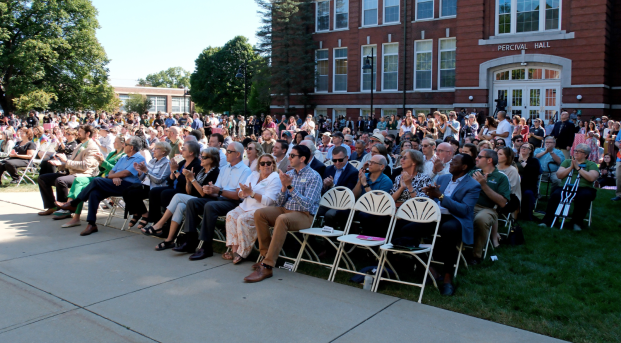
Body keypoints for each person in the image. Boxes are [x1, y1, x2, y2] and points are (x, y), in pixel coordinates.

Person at [390, 154, 481, 296]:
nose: (449, 164)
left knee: (448, 229)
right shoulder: (443, 178)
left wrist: (440, 196)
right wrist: (430, 194)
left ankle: (448, 278)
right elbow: (433, 199)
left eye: (454, 162)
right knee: (407, 228)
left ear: (464, 167)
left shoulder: (473, 185)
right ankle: (428, 267)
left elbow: (465, 210)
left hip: (456, 219)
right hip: (434, 216)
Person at [244, 145, 322, 283]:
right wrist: (284, 187)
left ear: (302, 158)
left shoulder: (314, 177)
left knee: (282, 219)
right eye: (290, 155)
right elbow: (280, 202)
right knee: (260, 214)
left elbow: (308, 204)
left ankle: (268, 265)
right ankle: (265, 256)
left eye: (292, 155)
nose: (289, 158)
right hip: (286, 210)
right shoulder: (289, 174)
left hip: (304, 215)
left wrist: (290, 187)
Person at [58, 137, 146, 236]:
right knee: (94, 193)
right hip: (115, 183)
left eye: (126, 144)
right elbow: (113, 170)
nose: (124, 146)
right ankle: (91, 224)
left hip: (128, 187)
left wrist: (109, 176)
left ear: (131, 147)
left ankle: (74, 203)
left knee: (96, 180)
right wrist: (113, 177)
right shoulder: (123, 157)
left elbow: (125, 173)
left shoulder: (139, 158)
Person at [177, 142, 252, 260]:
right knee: (193, 202)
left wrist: (219, 191)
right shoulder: (224, 169)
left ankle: (206, 247)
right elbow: (216, 190)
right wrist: (209, 189)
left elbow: (238, 195)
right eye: (226, 151)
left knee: (210, 206)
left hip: (233, 202)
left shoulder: (245, 171)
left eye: (229, 151)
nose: (225, 153)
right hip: (219, 198)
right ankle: (190, 241)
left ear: (237, 154)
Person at [143, 147, 220, 250]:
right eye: (201, 156)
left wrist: (192, 179)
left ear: (212, 159)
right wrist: (189, 181)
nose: (201, 158)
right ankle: (169, 240)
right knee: (179, 205)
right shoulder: (201, 171)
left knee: (176, 196)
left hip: (205, 201)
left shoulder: (215, 173)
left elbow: (203, 194)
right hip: (194, 199)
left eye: (204, 157)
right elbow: (189, 191)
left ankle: (159, 224)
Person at [55, 136, 127, 227]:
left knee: (83, 189)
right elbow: (102, 168)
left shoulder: (123, 156)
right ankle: (71, 205)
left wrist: (103, 161)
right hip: (101, 176)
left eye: (116, 142)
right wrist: (99, 162)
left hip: (109, 179)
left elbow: (117, 171)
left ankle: (73, 212)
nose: (113, 143)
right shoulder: (112, 153)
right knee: (78, 179)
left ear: (123, 144)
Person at [223, 154, 282, 263]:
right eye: (262, 163)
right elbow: (241, 192)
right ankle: (234, 250)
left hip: (262, 209)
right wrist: (244, 193)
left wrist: (252, 193)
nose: (265, 165)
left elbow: (269, 201)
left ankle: (242, 253)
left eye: (268, 163)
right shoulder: (254, 175)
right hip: (246, 205)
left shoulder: (275, 178)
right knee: (231, 215)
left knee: (242, 219)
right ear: (259, 165)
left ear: (273, 165)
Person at [37, 126, 99, 216]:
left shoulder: (92, 147)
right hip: (73, 172)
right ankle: (52, 206)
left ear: (88, 133)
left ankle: (65, 209)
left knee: (61, 180)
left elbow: (85, 166)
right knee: (42, 178)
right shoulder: (80, 145)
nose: (78, 133)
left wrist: (66, 161)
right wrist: (60, 164)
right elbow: (71, 163)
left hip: (84, 175)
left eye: (80, 131)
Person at [140, 141, 202, 231]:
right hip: (175, 187)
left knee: (166, 194)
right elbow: (170, 181)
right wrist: (172, 173)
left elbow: (186, 182)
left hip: (186, 190)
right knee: (154, 192)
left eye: (184, 149)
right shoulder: (183, 162)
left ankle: (166, 225)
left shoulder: (196, 165)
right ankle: (155, 221)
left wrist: (176, 172)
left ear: (191, 152)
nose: (181, 150)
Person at [540, 143, 599, 231]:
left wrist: (578, 168)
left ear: (585, 154)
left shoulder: (591, 164)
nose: (576, 153)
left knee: (583, 196)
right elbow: (559, 175)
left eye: (579, 151)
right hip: (565, 186)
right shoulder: (567, 162)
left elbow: (591, 178)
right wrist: (571, 167)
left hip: (583, 188)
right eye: (575, 150)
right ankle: (548, 221)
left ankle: (576, 222)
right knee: (556, 195)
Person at [470, 149, 511, 264]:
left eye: (479, 156)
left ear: (489, 160)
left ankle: (476, 255)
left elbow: (503, 203)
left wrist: (483, 185)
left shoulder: (501, 177)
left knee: (481, 219)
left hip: (488, 209)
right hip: (469, 205)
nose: (476, 158)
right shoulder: (473, 173)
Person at [121, 142, 171, 229]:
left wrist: (146, 171)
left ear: (163, 152)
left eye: (156, 149)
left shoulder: (167, 163)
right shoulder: (152, 161)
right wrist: (140, 172)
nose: (153, 150)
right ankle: (140, 213)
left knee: (133, 193)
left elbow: (159, 180)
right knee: (126, 191)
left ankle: (144, 215)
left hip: (156, 189)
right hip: (147, 186)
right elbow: (143, 178)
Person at [495, 147, 521, 247]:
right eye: (497, 153)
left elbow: (509, 189)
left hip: (510, 198)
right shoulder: (494, 167)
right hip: (495, 195)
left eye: (501, 154)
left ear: (507, 157)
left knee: (491, 206)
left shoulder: (512, 170)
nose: (498, 155)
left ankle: (493, 233)